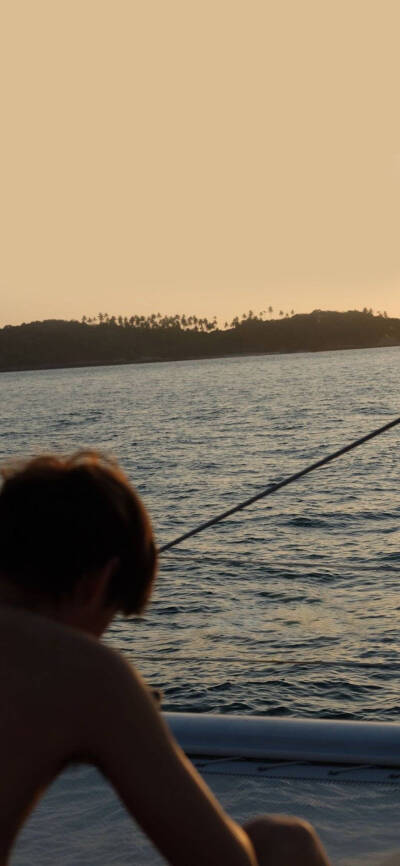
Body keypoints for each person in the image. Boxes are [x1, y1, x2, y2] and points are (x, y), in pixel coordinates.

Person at [0, 451, 331, 866]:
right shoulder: (81, 670)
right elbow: (223, 860)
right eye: (112, 614)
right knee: (283, 843)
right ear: (97, 582)